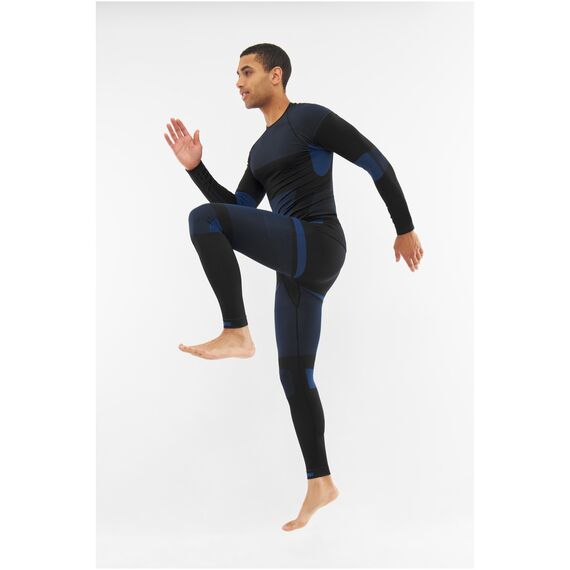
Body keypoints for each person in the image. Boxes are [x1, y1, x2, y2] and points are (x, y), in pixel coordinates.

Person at [164, 43, 424, 532]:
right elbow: (238, 211)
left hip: (319, 241)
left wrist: (404, 227)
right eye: (236, 74)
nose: (238, 82)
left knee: (202, 220)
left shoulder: (310, 119)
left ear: (276, 75)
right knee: (295, 376)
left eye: (247, 72)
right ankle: (320, 482)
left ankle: (236, 330)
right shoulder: (258, 151)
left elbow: (375, 162)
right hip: (297, 267)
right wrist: (196, 169)